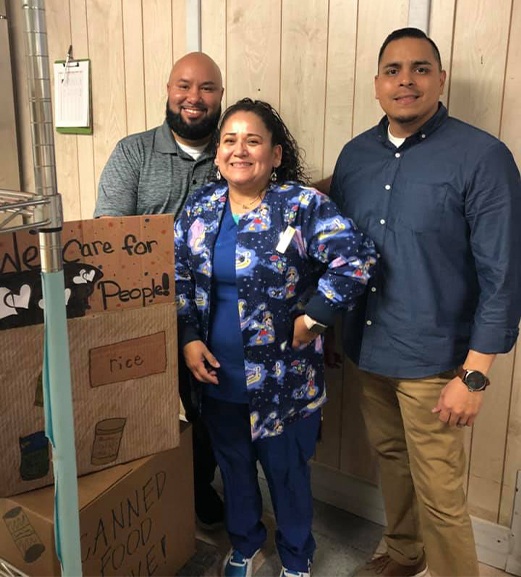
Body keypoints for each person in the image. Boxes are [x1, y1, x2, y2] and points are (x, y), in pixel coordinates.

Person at [329, 27, 521, 577]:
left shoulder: (482, 156)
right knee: (392, 462)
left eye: (419, 69)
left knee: (440, 489)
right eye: (393, 70)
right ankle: (404, 552)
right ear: (377, 85)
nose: (405, 80)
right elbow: (343, 252)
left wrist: (475, 375)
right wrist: (335, 332)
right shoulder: (356, 156)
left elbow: (504, 275)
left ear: (440, 79)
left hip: (437, 363)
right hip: (368, 347)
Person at [174, 98, 377, 577]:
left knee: (287, 474)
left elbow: (358, 259)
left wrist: (316, 319)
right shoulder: (200, 208)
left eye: (252, 140)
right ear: (217, 153)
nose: (239, 150)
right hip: (216, 371)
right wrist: (186, 337)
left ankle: (295, 558)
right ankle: (244, 544)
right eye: (229, 140)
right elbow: (178, 275)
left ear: (276, 154)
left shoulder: (303, 207)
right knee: (235, 469)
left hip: (284, 378)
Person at [94, 52, 226, 530]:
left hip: (215, 314)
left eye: (207, 88)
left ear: (220, 96)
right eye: (184, 86)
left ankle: (196, 490)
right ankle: (142, 498)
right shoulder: (133, 152)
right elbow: (110, 236)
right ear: (168, 91)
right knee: (140, 411)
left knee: (208, 412)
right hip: (142, 309)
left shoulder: (232, 152)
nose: (194, 98)